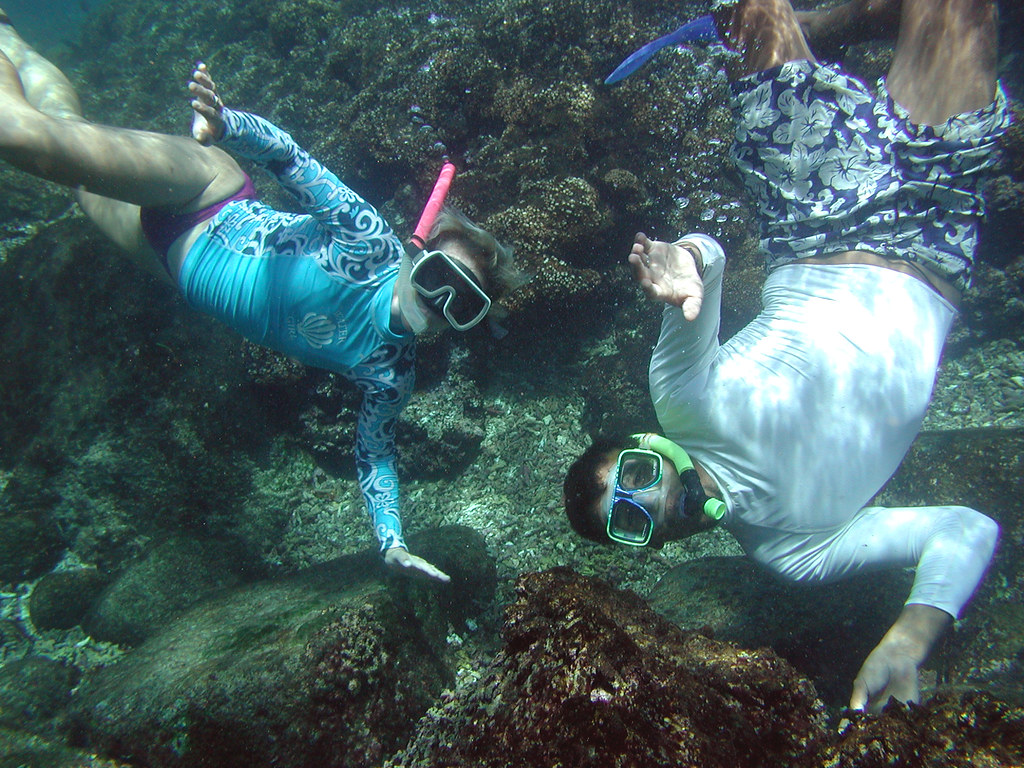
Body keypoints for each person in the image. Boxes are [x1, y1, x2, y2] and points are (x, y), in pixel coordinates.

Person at [565, 0, 1009, 713]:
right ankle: (881, 22)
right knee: (964, 11)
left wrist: (685, 257)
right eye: (630, 518)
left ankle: (840, 23)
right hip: (934, 235)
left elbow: (706, 265)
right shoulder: (793, 555)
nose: (652, 498)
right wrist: (910, 635)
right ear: (644, 546)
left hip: (817, 212)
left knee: (752, 12)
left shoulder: (681, 399)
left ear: (648, 443)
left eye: (636, 474)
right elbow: (965, 530)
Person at [0, 12, 524, 582]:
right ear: (416, 254)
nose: (440, 304)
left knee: (67, 153)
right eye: (440, 277)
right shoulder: (368, 239)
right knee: (33, 142)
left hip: (168, 261)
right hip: (204, 193)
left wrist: (391, 541)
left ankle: (10, 39)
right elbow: (290, 159)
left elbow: (375, 454)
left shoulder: (389, 375)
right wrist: (228, 126)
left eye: (464, 305)